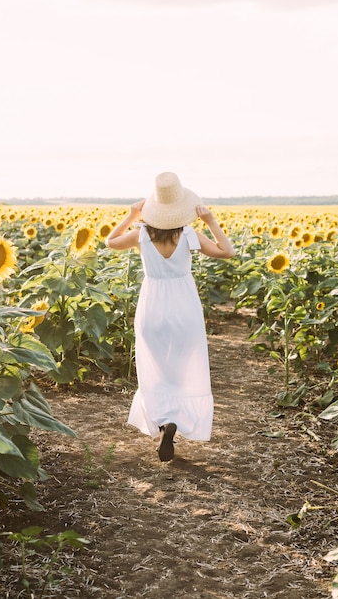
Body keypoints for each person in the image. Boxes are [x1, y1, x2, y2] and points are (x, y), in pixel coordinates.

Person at [105, 172, 235, 462]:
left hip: (152, 307)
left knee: (156, 368)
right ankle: (174, 420)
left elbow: (110, 242)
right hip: (184, 308)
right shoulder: (189, 235)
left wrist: (130, 215)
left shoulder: (141, 234)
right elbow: (228, 251)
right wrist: (210, 221)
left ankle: (164, 421)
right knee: (181, 367)